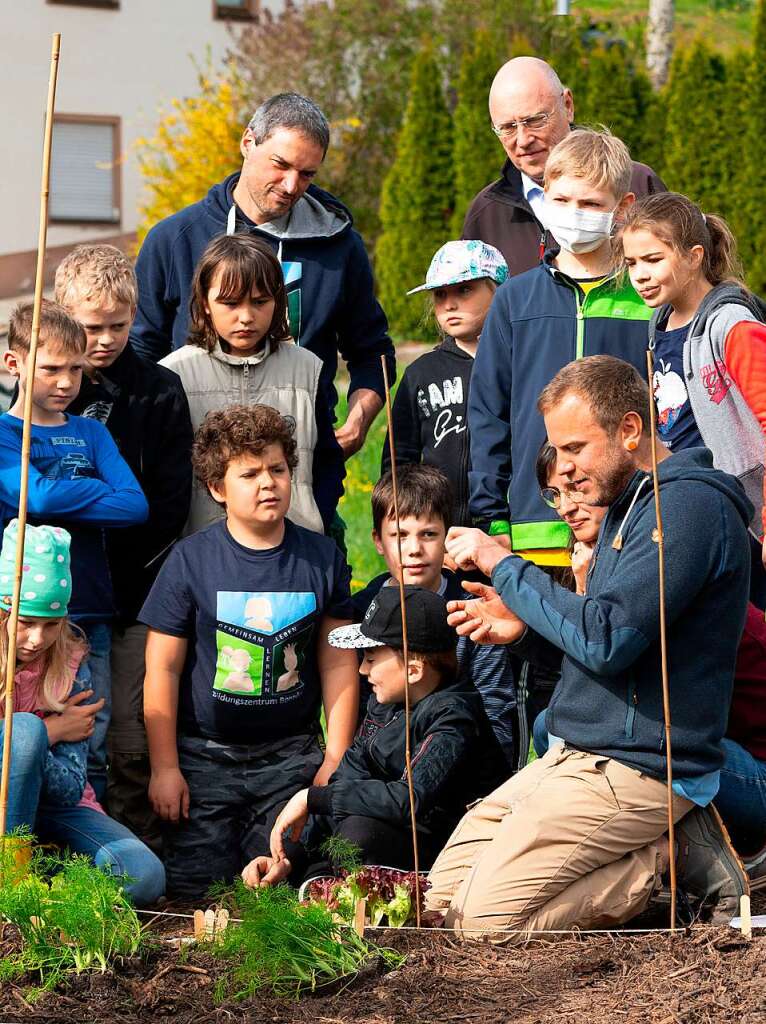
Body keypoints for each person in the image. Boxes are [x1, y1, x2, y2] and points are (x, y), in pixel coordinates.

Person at [426, 355, 751, 938]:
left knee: (482, 924)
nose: (566, 469)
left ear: (630, 429)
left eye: (575, 448)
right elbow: (609, 657)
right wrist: (522, 632)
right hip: (578, 752)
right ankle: (662, 850)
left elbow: (606, 639)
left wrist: (504, 565)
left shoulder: (688, 509)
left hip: (643, 767)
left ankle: (668, 861)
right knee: (440, 897)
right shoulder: (632, 507)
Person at [139, 404, 359, 897]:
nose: (268, 483)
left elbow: (339, 661)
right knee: (196, 893)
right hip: (202, 759)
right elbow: (162, 669)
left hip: (290, 756)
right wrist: (166, 766)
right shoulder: (190, 560)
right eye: (250, 473)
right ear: (218, 488)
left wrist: (336, 755)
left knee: (278, 883)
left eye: (278, 469)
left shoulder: (322, 558)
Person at [131, 91, 395, 464]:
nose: (292, 186)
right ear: (248, 142)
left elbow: (373, 353)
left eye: (307, 174)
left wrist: (357, 421)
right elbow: (141, 355)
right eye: (280, 165)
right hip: (191, 466)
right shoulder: (174, 239)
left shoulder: (338, 247)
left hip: (303, 468)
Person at [54, 243, 193, 848]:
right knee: (71, 716)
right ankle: (61, 844)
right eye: (90, 328)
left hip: (137, 584)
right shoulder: (50, 392)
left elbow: (164, 501)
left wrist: (91, 512)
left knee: (132, 729)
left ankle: (132, 844)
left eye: (118, 325)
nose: (104, 340)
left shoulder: (158, 389)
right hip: (61, 590)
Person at [240, 586, 509, 888]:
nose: (361, 669)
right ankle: (310, 879)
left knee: (359, 833)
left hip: (447, 848)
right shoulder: (384, 705)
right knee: (330, 813)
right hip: (397, 831)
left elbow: (408, 799)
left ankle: (326, 883)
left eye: (369, 658)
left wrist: (310, 798)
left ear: (413, 670)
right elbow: (344, 784)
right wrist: (288, 857)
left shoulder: (455, 717)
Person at [468, 128, 651, 567]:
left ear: (622, 209)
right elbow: (488, 414)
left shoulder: (647, 300)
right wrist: (493, 521)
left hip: (631, 523)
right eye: (563, 201)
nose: (574, 214)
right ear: (544, 199)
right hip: (533, 528)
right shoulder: (515, 299)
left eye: (590, 204)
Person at [0, 301, 148, 802]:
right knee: (21, 724)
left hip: (89, 608)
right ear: (13, 363)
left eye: (76, 370)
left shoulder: (91, 432)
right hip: (21, 615)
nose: (66, 382)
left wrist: (54, 498)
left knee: (91, 728)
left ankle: (85, 828)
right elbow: (31, 497)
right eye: (51, 369)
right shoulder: (4, 435)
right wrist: (85, 492)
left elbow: (132, 506)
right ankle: (21, 835)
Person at [0, 520, 164, 907]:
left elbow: (71, 786)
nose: (37, 639)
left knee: (143, 874)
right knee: (24, 730)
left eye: (50, 624)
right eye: (25, 623)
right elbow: (24, 740)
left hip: (57, 809)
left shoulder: (71, 664)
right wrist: (49, 733)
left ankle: (55, 900)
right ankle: (12, 881)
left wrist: (34, 748)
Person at [620, 192, 766, 608]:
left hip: (745, 519)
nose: (640, 276)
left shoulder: (731, 325)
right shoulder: (658, 324)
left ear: (694, 256)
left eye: (653, 259)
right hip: (693, 509)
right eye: (631, 263)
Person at [160, 233, 344, 536]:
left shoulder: (307, 367)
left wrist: (314, 520)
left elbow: (327, 462)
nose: (246, 317)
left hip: (297, 549)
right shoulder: (173, 375)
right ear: (205, 302)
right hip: (205, 551)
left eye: (260, 302)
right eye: (229, 303)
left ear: (278, 300)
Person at [353, 465, 520, 771]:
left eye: (428, 534)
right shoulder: (362, 610)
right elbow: (359, 708)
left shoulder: (474, 608)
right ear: (377, 540)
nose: (414, 549)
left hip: (460, 769)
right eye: (399, 535)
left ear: (448, 536)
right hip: (378, 770)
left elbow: (495, 707)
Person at [461, 56, 665, 273]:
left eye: (534, 120)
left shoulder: (639, 183)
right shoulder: (486, 214)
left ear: (568, 106)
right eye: (508, 128)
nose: (523, 140)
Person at [381, 240, 508, 527]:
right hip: (439, 535)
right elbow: (398, 460)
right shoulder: (420, 374)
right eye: (440, 294)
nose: (449, 304)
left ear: (499, 290)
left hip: (508, 531)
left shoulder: (517, 365)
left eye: (464, 290)